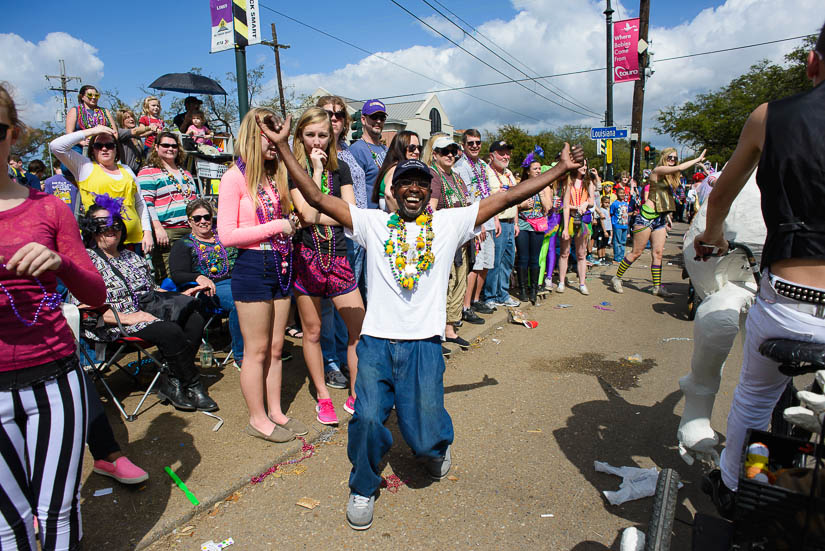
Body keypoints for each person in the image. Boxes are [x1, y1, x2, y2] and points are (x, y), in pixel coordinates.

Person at [260, 110, 584, 531]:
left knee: (423, 428)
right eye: (405, 183)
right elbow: (320, 201)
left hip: (424, 345)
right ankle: (363, 484)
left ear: (428, 191)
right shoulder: (373, 223)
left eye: (420, 183)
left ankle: (435, 447)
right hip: (376, 343)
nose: (413, 189)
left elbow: (505, 198)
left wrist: (560, 170)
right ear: (392, 193)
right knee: (368, 418)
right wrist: (285, 146)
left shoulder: (449, 224)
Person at [695, 23, 825, 519]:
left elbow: (721, 195)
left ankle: (733, 488)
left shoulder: (770, 117)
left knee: (754, 395)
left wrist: (713, 235)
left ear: (813, 62)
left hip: (790, 298)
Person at [0, 83, 107, 550]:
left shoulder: (49, 207)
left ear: (14, 134)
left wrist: (61, 263)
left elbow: (96, 293)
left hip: (54, 379)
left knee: (58, 514)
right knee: (8, 525)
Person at [76, 197, 217, 413]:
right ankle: (192, 384)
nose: (110, 230)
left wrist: (178, 296)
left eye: (114, 224)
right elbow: (84, 310)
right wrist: (131, 317)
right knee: (169, 331)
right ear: (92, 230)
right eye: (102, 226)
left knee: (194, 318)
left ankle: (173, 382)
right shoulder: (84, 261)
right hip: (114, 324)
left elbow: (152, 290)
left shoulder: (132, 256)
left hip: (148, 312)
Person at [216, 108, 305, 444]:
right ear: (253, 136)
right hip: (252, 268)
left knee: (277, 346)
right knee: (256, 350)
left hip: (282, 265)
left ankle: (275, 411)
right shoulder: (233, 177)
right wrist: (276, 226)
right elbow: (226, 235)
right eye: (268, 136)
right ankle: (257, 419)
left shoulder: (275, 176)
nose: (274, 143)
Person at [288, 107, 365, 421]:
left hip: (339, 257)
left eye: (323, 134)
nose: (317, 141)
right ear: (300, 136)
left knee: (358, 330)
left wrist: (323, 215)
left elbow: (351, 215)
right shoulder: (293, 169)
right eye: (310, 135)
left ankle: (358, 394)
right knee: (313, 331)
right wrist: (316, 173)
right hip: (307, 260)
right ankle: (322, 395)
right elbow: (306, 214)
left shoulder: (342, 169)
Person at [315, 95, 366, 390]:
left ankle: (348, 358)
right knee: (326, 310)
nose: (333, 118)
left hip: (355, 237)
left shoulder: (347, 153)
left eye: (338, 115)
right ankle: (330, 362)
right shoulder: (312, 154)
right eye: (327, 113)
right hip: (325, 242)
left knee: (347, 308)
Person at [611, 148, 706, 296]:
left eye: (675, 158)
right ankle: (617, 278)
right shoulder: (657, 170)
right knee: (637, 252)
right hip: (646, 217)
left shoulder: (671, 177)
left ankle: (657, 287)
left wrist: (704, 168)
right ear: (664, 157)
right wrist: (697, 159)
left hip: (660, 219)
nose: (672, 160)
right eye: (670, 157)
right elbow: (680, 168)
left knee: (658, 253)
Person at [50, 124, 154, 252]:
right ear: (93, 149)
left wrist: (147, 232)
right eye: (99, 146)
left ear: (116, 149)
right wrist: (92, 131)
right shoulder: (84, 167)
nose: (104, 149)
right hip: (100, 242)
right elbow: (56, 146)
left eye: (109, 145)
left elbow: (139, 203)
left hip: (134, 240)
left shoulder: (126, 170)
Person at [169, 199, 243, 369]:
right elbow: (177, 275)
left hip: (237, 280)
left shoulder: (223, 236)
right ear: (189, 221)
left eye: (206, 216)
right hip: (209, 289)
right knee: (240, 302)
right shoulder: (183, 244)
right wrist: (197, 277)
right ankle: (241, 356)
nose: (203, 221)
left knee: (264, 294)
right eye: (197, 218)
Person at [424, 134, 474, 350]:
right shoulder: (434, 176)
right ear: (435, 154)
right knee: (446, 285)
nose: (451, 155)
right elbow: (431, 211)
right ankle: (436, 333)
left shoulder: (456, 176)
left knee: (459, 285)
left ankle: (450, 330)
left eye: (453, 151)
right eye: (445, 151)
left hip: (460, 241)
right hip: (444, 242)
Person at [137, 132, 198, 281]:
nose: (170, 148)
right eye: (165, 145)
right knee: (171, 278)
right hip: (168, 232)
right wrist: (157, 228)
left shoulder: (186, 174)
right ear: (156, 147)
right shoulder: (148, 172)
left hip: (191, 231)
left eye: (174, 145)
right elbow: (146, 203)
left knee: (192, 274)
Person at [454, 129, 499, 319]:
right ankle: (465, 307)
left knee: (487, 262)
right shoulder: (460, 166)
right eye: (470, 143)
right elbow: (465, 198)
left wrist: (495, 218)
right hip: (475, 222)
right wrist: (476, 225)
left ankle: (475, 299)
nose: (474, 146)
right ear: (464, 145)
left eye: (477, 143)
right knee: (475, 265)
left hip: (488, 220)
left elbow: (489, 194)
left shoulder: (482, 165)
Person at [481, 140, 520, 308]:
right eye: (501, 153)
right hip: (497, 223)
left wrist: (516, 222)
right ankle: (489, 296)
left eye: (507, 153)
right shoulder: (486, 172)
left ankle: (502, 294)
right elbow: (487, 199)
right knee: (494, 261)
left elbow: (516, 198)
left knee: (508, 260)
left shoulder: (509, 173)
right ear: (492, 155)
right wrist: (495, 219)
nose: (506, 156)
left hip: (511, 223)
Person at [515, 155, 550, 304]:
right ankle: (522, 289)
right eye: (535, 168)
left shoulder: (544, 186)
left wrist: (541, 192)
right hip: (523, 225)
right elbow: (513, 205)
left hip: (538, 226)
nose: (538, 171)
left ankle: (534, 289)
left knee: (535, 258)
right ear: (528, 171)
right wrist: (522, 205)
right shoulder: (520, 185)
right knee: (523, 258)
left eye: (539, 169)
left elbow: (548, 207)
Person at [558, 159, 595, 295]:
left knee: (581, 254)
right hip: (570, 218)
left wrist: (585, 204)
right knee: (564, 252)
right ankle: (561, 281)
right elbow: (565, 205)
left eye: (586, 164)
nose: (584, 167)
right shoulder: (568, 181)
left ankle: (582, 283)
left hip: (583, 221)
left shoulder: (588, 181)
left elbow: (592, 200)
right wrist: (566, 228)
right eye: (581, 165)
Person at [349, 99, 387, 209]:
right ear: (363, 120)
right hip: (369, 216)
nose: (379, 121)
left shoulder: (386, 149)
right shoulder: (356, 150)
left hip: (388, 217)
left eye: (382, 117)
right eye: (374, 117)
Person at [371, 130, 422, 212]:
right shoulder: (396, 168)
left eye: (419, 148)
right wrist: (401, 217)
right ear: (401, 147)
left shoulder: (401, 167)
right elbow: (389, 194)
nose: (417, 152)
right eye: (412, 148)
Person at [538, 164, 564, 290]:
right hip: (537, 221)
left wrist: (557, 206)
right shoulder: (537, 186)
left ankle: (548, 277)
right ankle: (537, 278)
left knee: (550, 249)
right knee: (539, 251)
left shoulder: (557, 188)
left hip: (552, 220)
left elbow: (562, 205)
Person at [116, 107, 155, 174]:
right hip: (125, 173)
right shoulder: (120, 132)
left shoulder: (137, 138)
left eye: (132, 117)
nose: (131, 119)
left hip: (137, 173)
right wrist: (149, 127)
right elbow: (135, 131)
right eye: (127, 118)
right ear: (121, 121)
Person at [610, 187, 630, 264]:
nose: (622, 194)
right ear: (617, 194)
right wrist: (613, 224)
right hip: (617, 225)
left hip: (625, 225)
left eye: (623, 193)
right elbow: (611, 213)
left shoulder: (625, 203)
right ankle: (616, 257)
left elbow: (626, 214)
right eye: (620, 193)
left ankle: (621, 257)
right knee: (617, 241)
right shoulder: (614, 204)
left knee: (623, 241)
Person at [596, 195, 612, 264]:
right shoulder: (601, 211)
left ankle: (603, 257)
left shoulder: (607, 210)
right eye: (605, 202)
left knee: (604, 245)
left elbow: (609, 221)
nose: (607, 204)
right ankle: (600, 258)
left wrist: (611, 231)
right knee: (600, 245)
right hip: (602, 230)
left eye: (608, 203)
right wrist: (605, 231)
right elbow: (602, 221)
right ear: (602, 202)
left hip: (608, 229)